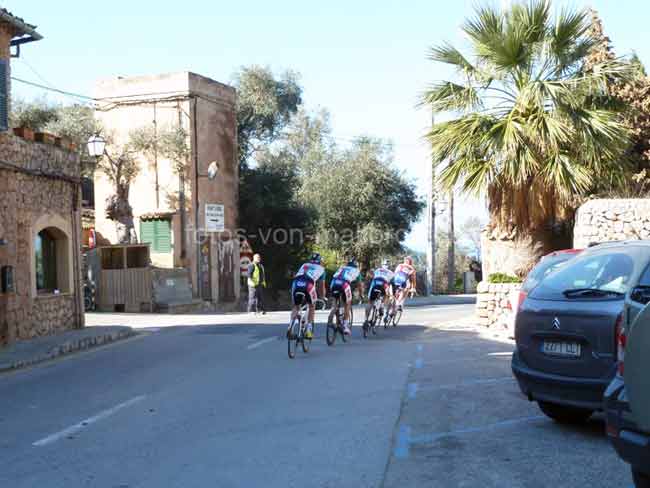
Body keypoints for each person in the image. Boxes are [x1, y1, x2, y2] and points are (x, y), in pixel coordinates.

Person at [290, 253, 326, 339]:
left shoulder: (304, 265)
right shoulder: (322, 269)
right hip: (308, 284)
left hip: (296, 283)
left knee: (296, 306)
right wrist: (322, 296)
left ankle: (290, 327)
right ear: (320, 261)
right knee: (312, 306)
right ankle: (309, 331)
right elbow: (321, 286)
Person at [330, 258, 363, 335]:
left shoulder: (341, 268)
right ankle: (345, 325)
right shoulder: (356, 271)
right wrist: (361, 294)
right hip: (344, 284)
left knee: (335, 302)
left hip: (334, 283)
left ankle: (332, 319)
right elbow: (360, 285)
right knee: (347, 303)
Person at [364, 259, 394, 324]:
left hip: (375, 283)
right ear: (389, 266)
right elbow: (392, 283)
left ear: (382, 265)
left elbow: (372, 276)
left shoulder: (377, 270)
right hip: (384, 283)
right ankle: (382, 306)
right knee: (387, 295)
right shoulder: (391, 272)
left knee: (370, 302)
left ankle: (366, 320)